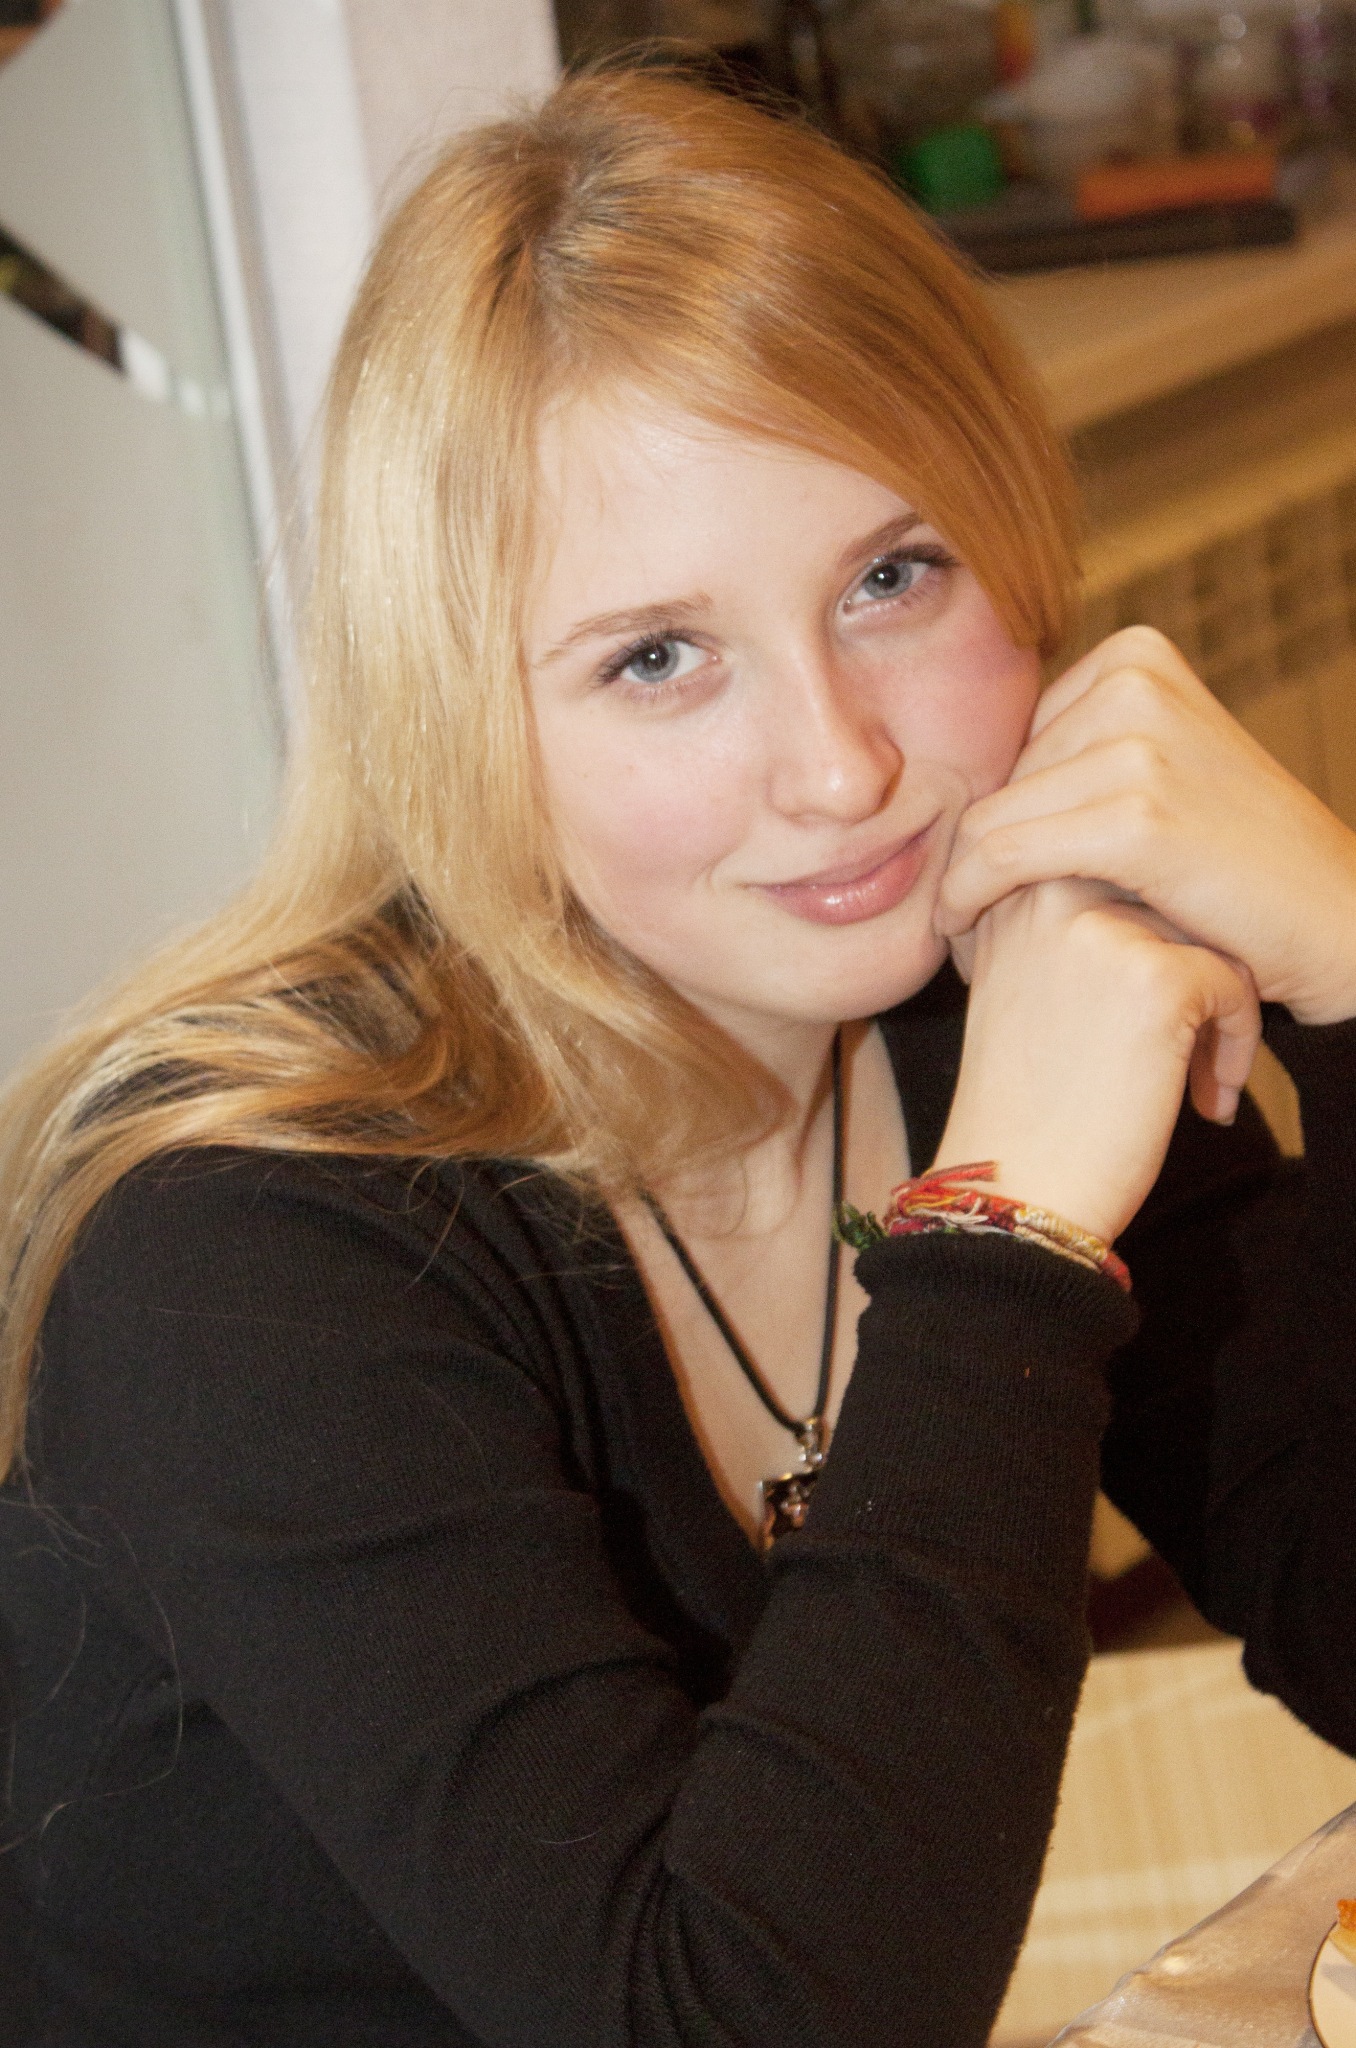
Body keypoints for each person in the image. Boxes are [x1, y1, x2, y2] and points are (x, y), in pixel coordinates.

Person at [2, 63, 1356, 2048]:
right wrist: (1009, 1232)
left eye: (892, 577)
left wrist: (1350, 959)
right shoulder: (239, 1246)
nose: (840, 766)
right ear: (462, 721)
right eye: (657, 656)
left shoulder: (984, 986)